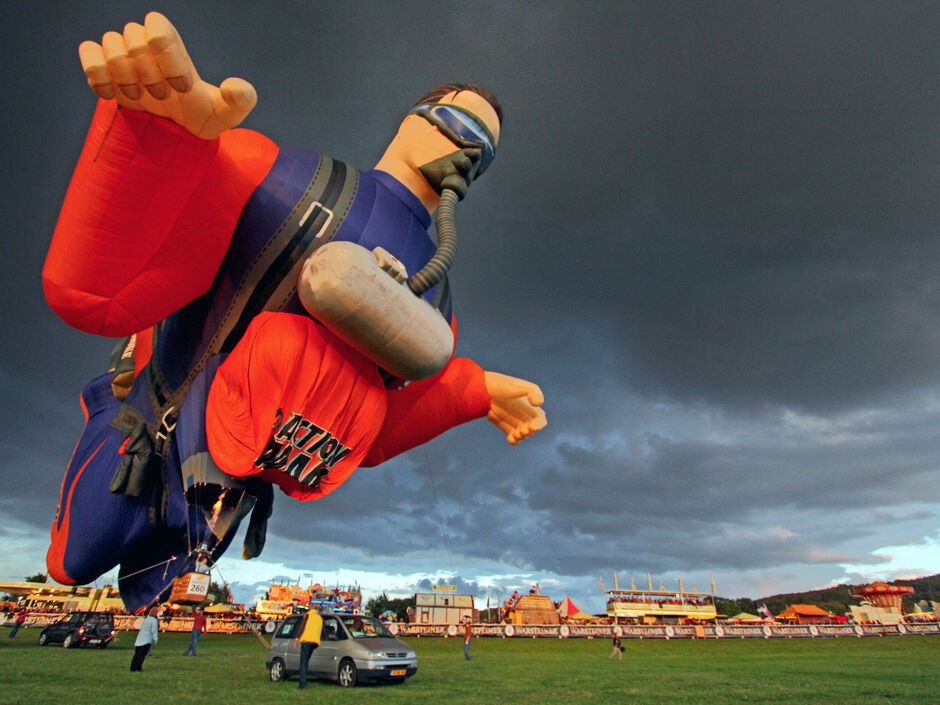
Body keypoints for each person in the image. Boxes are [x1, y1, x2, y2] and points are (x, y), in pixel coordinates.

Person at [44, 11, 546, 612]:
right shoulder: (286, 182)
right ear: (414, 122)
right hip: (149, 432)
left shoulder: (436, 304)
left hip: (235, 482)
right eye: (460, 126)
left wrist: (474, 391)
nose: (468, 150)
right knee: (74, 561)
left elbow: (370, 430)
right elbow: (95, 294)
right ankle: (106, 398)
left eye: (483, 153)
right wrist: (153, 137)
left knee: (159, 588)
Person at [292, 610, 323, 689]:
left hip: (306, 641)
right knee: (306, 660)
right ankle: (303, 680)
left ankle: (303, 684)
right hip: (315, 642)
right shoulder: (319, 618)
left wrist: (296, 639)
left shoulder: (308, 615)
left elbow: (302, 627)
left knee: (303, 663)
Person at [130, 606, 160, 671]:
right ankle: (138, 667)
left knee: (137, 654)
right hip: (146, 640)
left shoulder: (146, 619)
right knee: (142, 655)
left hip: (139, 640)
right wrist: (155, 639)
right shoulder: (154, 620)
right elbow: (154, 630)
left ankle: (133, 667)